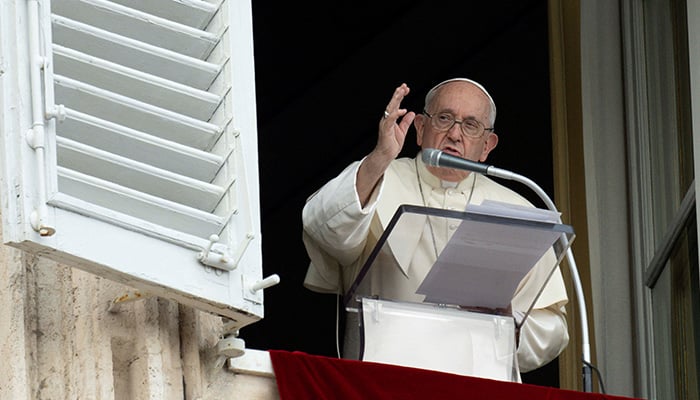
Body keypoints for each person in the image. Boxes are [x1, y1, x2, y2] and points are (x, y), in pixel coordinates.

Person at [301, 78, 569, 377]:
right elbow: (322, 228)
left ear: (487, 146)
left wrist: (511, 322)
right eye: (444, 118)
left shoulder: (518, 210)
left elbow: (553, 328)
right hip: (382, 381)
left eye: (470, 125)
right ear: (420, 128)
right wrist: (380, 157)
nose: (454, 134)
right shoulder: (377, 178)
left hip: (480, 387)